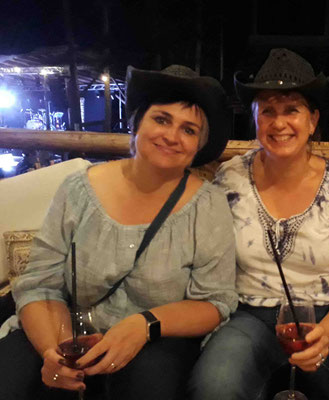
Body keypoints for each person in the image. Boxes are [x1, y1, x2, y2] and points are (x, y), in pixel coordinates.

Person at [0, 65, 238, 400]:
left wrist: (144, 325)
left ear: (198, 145)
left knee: (150, 384)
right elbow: (40, 283)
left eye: (188, 129)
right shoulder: (78, 190)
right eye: (162, 119)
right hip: (64, 327)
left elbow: (215, 301)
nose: (171, 136)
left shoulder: (209, 204)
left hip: (158, 340)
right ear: (137, 122)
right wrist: (56, 352)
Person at [189, 48, 329, 400]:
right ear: (255, 119)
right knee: (214, 385)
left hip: (327, 313)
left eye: (292, 110)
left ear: (312, 121)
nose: (279, 124)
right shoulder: (229, 180)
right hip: (249, 315)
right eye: (268, 112)